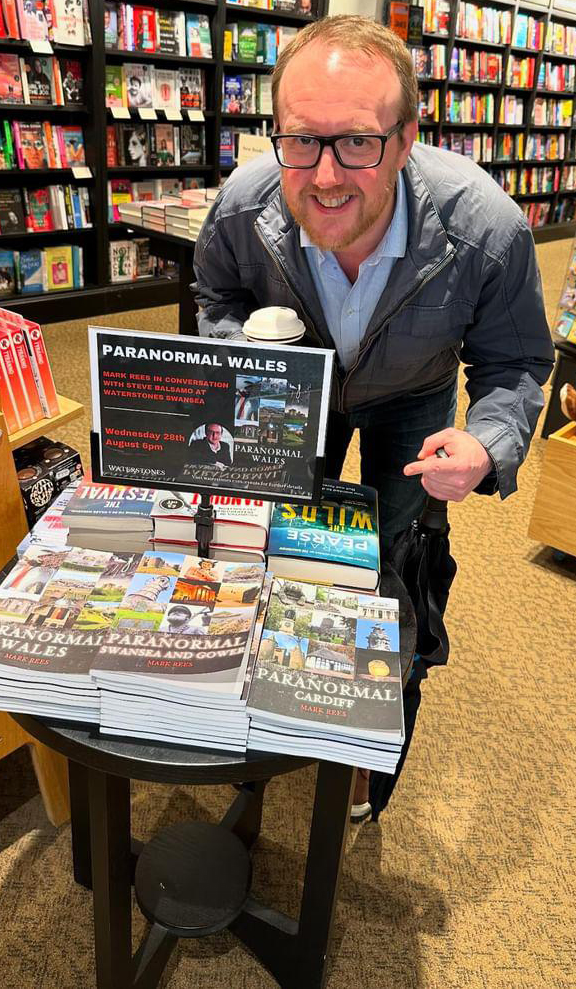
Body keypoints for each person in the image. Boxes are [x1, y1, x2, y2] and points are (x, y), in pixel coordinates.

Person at [193, 15, 554, 819]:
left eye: (356, 142)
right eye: (300, 140)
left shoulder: (483, 226)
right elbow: (215, 298)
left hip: (414, 393)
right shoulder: (242, 204)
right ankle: (261, 722)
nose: (324, 175)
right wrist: (243, 354)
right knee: (274, 549)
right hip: (296, 388)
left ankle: (369, 754)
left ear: (404, 138)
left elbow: (515, 361)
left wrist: (487, 441)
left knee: (398, 566)